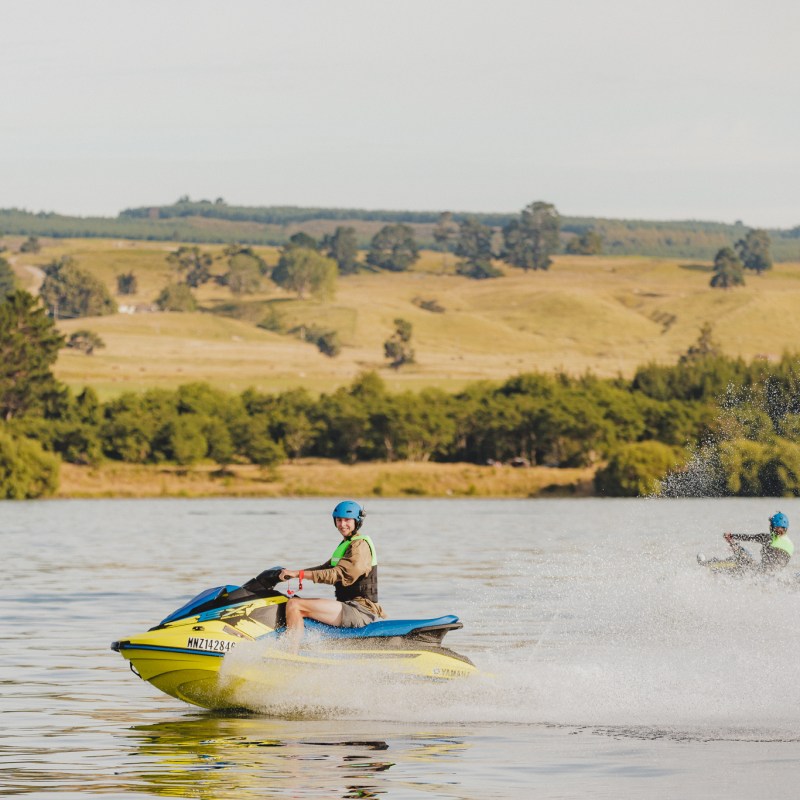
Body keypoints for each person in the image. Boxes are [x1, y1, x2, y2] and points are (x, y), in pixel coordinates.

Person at [278, 500, 385, 644]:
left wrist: (299, 574)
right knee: (290, 602)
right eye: (339, 520)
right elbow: (325, 569)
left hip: (360, 611)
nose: (342, 524)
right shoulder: (347, 544)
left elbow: (339, 574)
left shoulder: (360, 546)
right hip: (348, 606)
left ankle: (291, 653)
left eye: (347, 520)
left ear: (357, 521)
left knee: (295, 605)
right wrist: (293, 573)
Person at [714, 512, 794, 573]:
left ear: (771, 526)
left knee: (742, 554)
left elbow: (748, 537)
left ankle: (715, 565)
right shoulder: (791, 545)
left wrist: (731, 536)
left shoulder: (767, 538)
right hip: (774, 574)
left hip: (761, 572)